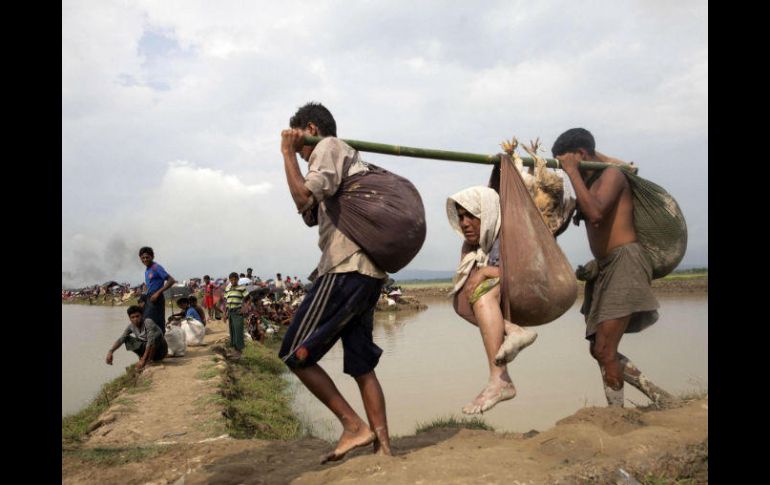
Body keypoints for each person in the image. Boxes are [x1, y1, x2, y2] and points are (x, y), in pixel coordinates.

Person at [278, 102, 392, 463]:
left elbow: (303, 196)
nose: (303, 155)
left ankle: (353, 426)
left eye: (302, 148)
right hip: (369, 271)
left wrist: (287, 154)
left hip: (344, 266)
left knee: (294, 353)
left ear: (310, 128)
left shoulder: (327, 146)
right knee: (361, 365)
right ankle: (384, 448)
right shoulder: (351, 158)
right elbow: (311, 215)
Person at [552, 128, 673, 407]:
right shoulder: (592, 182)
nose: (566, 171)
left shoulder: (612, 175)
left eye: (566, 162)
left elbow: (595, 213)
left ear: (581, 155)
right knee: (599, 349)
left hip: (626, 263)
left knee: (606, 349)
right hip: (605, 267)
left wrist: (573, 169)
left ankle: (616, 416)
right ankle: (659, 397)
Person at [447, 186, 538, 414]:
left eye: (471, 215)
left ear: (487, 214)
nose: (464, 223)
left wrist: (487, 272)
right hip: (504, 285)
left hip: (529, 286)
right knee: (461, 300)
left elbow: (528, 270)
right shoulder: (476, 245)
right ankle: (513, 330)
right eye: (460, 217)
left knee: (481, 295)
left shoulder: (510, 232)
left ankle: (500, 380)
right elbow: (467, 282)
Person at [106, 305, 167, 371]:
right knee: (127, 338)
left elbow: (150, 341)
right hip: (147, 349)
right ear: (129, 318)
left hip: (160, 351)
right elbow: (121, 339)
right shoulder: (131, 326)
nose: (135, 319)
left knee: (155, 337)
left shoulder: (148, 322)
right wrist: (111, 351)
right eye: (133, 317)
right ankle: (143, 358)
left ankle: (148, 361)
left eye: (137, 316)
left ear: (142, 316)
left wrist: (144, 359)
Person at [139, 247, 176, 335]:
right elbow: (150, 286)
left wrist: (157, 293)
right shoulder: (147, 270)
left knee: (153, 324)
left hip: (157, 298)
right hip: (150, 298)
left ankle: (160, 345)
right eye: (143, 258)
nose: (145, 259)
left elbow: (171, 280)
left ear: (152, 257)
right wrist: (144, 296)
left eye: (147, 257)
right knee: (147, 322)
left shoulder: (156, 267)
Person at [223, 272, 249, 360]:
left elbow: (249, 299)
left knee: (238, 331)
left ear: (238, 279)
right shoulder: (228, 288)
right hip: (230, 312)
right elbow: (226, 302)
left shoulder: (242, 288)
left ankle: (239, 352)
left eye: (235, 279)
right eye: (232, 279)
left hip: (238, 312)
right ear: (230, 280)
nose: (233, 281)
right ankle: (235, 350)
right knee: (232, 331)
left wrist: (244, 309)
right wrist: (224, 314)